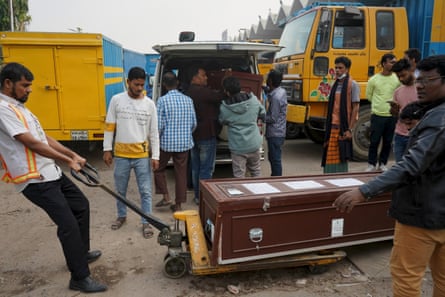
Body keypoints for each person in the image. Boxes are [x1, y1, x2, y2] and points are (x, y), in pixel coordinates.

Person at [333, 55, 445, 297]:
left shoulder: (438, 121)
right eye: (418, 80)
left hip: (422, 215)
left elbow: (411, 165)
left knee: (406, 280)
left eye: (428, 80)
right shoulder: (433, 113)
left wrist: (364, 191)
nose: (420, 86)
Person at [0, 62, 106, 293]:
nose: (29, 90)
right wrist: (67, 161)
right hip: (34, 179)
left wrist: (72, 154)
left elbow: (43, 137)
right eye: (25, 85)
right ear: (8, 83)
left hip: (50, 172)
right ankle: (79, 277)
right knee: (67, 223)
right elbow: (30, 142)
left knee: (81, 206)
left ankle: (80, 254)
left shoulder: (20, 108)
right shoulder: (2, 109)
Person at [103, 66, 159, 239]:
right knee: (120, 189)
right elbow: (109, 126)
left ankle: (146, 221)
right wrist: (107, 149)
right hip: (121, 156)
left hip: (142, 156)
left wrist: (155, 155)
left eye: (142, 85)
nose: (139, 88)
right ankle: (122, 216)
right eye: (136, 84)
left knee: (146, 191)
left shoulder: (149, 105)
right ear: (128, 82)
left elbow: (154, 132)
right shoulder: (116, 100)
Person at [154, 72, 197, 212]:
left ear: (165, 85)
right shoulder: (188, 100)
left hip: (166, 144)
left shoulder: (162, 101)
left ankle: (166, 196)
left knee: (158, 169)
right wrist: (185, 134)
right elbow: (194, 124)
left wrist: (154, 143)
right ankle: (178, 205)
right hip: (184, 143)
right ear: (177, 83)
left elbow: (159, 126)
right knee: (181, 173)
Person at [185, 66, 223, 204]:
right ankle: (203, 198)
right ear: (195, 78)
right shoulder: (202, 92)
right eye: (203, 75)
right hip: (206, 135)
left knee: (196, 167)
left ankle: (197, 195)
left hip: (193, 135)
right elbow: (220, 96)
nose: (206, 78)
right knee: (206, 168)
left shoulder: (188, 92)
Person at [219, 76, 266, 178]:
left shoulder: (225, 108)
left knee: (239, 175)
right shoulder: (253, 101)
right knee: (256, 171)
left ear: (227, 92)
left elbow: (222, 120)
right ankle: (258, 192)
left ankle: (242, 193)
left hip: (238, 146)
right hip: (254, 143)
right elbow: (263, 113)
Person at [321, 56, 360, 173]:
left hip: (342, 128)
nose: (337, 70)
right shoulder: (335, 84)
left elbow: (355, 108)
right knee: (329, 158)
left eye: (340, 68)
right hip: (332, 127)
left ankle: (339, 182)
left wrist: (350, 129)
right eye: (336, 67)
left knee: (341, 158)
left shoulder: (353, 85)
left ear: (347, 69)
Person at [366, 53, 400, 172]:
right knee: (374, 141)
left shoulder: (397, 79)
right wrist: (378, 105)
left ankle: (383, 164)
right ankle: (371, 164)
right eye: (392, 62)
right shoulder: (374, 79)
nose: (394, 64)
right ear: (384, 64)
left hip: (391, 116)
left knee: (388, 141)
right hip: (377, 115)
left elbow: (399, 95)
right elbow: (369, 96)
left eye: (395, 62)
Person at [389, 58, 418, 162]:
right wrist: (394, 110)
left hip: (416, 136)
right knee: (399, 168)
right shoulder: (398, 91)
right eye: (398, 76)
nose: (401, 79)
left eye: (403, 75)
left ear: (411, 70)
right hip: (399, 136)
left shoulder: (422, 89)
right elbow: (395, 115)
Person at [264, 69, 287, 176]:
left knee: (275, 159)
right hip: (279, 132)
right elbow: (269, 90)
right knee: (274, 158)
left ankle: (277, 180)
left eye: (268, 78)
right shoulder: (280, 91)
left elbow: (272, 118)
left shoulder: (276, 98)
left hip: (275, 133)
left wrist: (259, 116)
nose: (266, 80)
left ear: (271, 81)